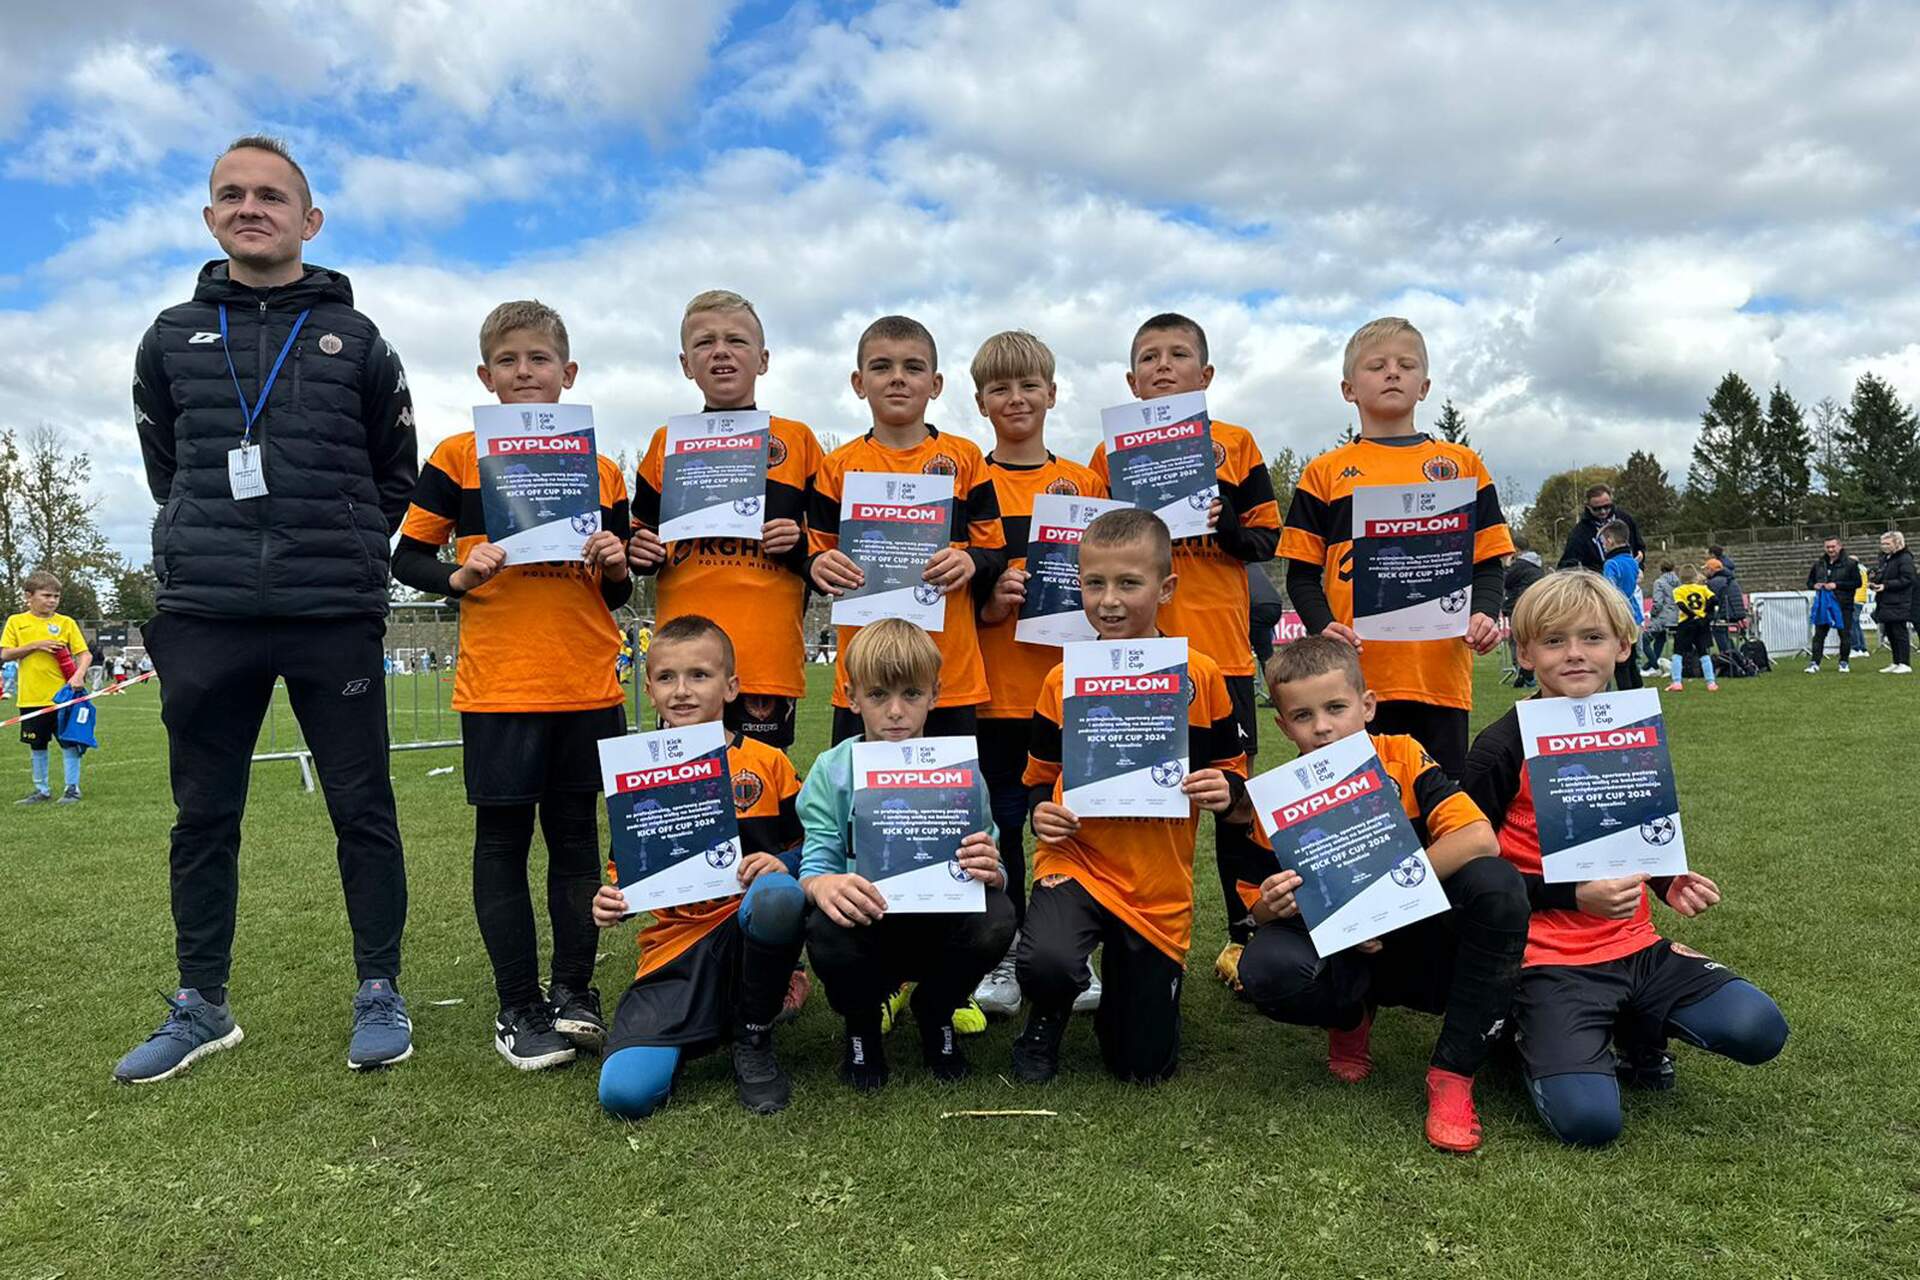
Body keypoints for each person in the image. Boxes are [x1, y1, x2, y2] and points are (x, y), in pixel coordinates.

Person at [121, 134, 416, 1083]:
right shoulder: (169, 336)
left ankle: (380, 989)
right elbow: (168, 467)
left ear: (309, 220)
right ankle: (201, 1003)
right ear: (211, 216)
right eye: (233, 195)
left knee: (362, 808)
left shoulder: (357, 340)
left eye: (272, 196)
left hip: (330, 609)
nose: (252, 208)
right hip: (208, 611)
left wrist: (344, 543)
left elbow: (395, 473)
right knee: (203, 817)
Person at [1462, 570, 1787, 1146]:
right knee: (1590, 1123)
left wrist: (1665, 879)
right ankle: (1522, 1031)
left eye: (1592, 637)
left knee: (1758, 1027)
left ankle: (1638, 1029)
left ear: (1623, 644)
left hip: (1634, 946)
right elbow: (1470, 877)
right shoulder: (1499, 747)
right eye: (1555, 641)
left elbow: (1626, 833)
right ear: (1526, 653)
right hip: (1548, 959)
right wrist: (1571, 897)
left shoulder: (1629, 727)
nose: (1575, 654)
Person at [390, 299, 631, 1070]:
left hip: (586, 683)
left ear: (569, 373)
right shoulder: (459, 456)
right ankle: (518, 1005)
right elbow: (406, 557)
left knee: (575, 838)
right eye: (508, 360)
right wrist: (459, 575)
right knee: (502, 842)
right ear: (485, 374)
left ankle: (574, 992)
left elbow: (617, 591)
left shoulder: (602, 468)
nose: (524, 371)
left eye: (539, 358)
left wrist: (615, 562)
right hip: (499, 686)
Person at [1232, 635, 1527, 1152]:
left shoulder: (1402, 755)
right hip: (1342, 946)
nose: (1322, 727)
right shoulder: (1275, 797)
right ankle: (1350, 1017)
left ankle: (1452, 1073)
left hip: (1418, 930)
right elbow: (1254, 904)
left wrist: (1378, 903)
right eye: (1302, 716)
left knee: (1497, 885)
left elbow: (1479, 838)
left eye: (1336, 708)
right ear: (1282, 726)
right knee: (1267, 968)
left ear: (1367, 706)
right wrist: (1269, 906)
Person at [1012, 509, 1249, 1085]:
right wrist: (1041, 812)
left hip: (1155, 885)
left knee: (1143, 1067)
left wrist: (1226, 790)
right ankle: (1047, 1015)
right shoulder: (1060, 680)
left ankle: (1125, 999)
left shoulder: (1202, 676)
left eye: (1128, 583)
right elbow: (1039, 780)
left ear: (1166, 588)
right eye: (1094, 583)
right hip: (1078, 861)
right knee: (1047, 960)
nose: (1109, 601)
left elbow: (1235, 781)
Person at [1087, 314, 1279, 975]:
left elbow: (1267, 539)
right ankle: (1110, 931)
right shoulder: (1108, 455)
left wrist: (1226, 524)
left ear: (1206, 374)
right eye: (1149, 357)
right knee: (1119, 797)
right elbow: (1091, 548)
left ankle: (1244, 934)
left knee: (1233, 799)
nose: (1162, 365)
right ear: (1131, 380)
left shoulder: (1236, 445)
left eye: (1177, 354)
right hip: (1133, 656)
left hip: (1219, 655)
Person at [593, 616, 807, 1117]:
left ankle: (753, 1036)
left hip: (748, 927)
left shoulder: (768, 763)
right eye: (666, 677)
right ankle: (715, 1018)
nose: (682, 690)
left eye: (699, 675)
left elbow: (816, 849)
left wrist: (781, 861)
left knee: (778, 897)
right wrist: (612, 903)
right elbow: (629, 879)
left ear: (731, 686)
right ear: (649, 689)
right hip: (676, 947)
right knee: (625, 1093)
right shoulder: (637, 771)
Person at [1281, 317, 1513, 776]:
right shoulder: (1324, 473)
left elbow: (1488, 562)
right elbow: (1302, 574)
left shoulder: (1462, 465)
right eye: (1377, 365)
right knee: (1356, 803)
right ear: (1348, 389)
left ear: (1423, 386)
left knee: (1441, 804)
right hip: (1349, 681)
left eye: (1406, 365)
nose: (1392, 372)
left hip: (1438, 678)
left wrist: (1484, 612)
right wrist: (1323, 625)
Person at [799, 619, 1015, 1090]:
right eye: (878, 695)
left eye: (911, 694)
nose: (896, 711)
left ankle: (936, 1009)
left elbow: (990, 857)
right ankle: (860, 1026)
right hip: (869, 923)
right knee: (823, 924)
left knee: (997, 914)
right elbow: (815, 865)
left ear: (935, 695)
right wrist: (822, 884)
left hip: (938, 921)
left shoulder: (961, 771)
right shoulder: (831, 771)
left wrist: (991, 868)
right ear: (852, 697)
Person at [967, 330, 1106, 1018]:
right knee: (1000, 831)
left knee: (1074, 825)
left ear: (1052, 393)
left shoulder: (1086, 484)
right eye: (1000, 387)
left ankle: (1073, 949)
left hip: (1071, 691)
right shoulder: (968, 482)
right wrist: (986, 604)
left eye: (1029, 385)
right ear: (980, 401)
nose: (1016, 398)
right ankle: (1004, 951)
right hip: (992, 694)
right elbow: (941, 588)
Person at [627, 290, 824, 750]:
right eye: (705, 342)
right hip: (684, 667)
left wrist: (800, 544)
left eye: (736, 340)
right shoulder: (665, 444)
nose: (720, 351)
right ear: (686, 364)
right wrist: (640, 551)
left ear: (763, 359)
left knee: (760, 788)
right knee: (687, 790)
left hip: (766, 660)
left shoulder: (798, 441)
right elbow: (639, 538)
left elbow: (829, 545)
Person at [806, 315, 1006, 747]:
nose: (897, 378)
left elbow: (995, 553)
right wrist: (818, 566)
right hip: (866, 682)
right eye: (882, 367)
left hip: (947, 679)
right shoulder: (837, 467)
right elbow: (814, 557)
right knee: (860, 792)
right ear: (859, 382)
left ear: (935, 384)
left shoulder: (965, 459)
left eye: (912, 367)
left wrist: (970, 560)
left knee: (947, 793)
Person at [3, 571, 92, 805]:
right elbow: (5, 654)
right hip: (31, 698)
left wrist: (79, 675)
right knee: (37, 745)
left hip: (63, 697)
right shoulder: (16, 622)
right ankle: (41, 790)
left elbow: (84, 654)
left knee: (69, 743)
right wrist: (35, 645)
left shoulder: (65, 623)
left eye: (56, 596)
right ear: (28, 596)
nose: (52, 600)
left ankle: (72, 789)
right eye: (46, 595)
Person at [1557, 484, 1645, 572]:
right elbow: (1567, 565)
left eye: (1607, 506)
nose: (1603, 511)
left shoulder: (1625, 519)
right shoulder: (1579, 533)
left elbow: (1639, 546)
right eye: (1597, 509)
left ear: (1611, 501)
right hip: (1599, 578)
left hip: (1630, 575)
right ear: (1588, 507)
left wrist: (1640, 568)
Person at [1806, 536, 1862, 674]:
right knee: (1819, 635)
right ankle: (1814, 663)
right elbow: (1809, 582)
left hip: (1843, 604)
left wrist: (1837, 585)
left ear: (1840, 546)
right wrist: (1815, 585)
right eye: (1828, 547)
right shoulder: (1819, 564)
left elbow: (1857, 583)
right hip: (1823, 604)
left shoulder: (1850, 564)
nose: (1830, 550)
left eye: (1833, 547)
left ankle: (1844, 662)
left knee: (1844, 634)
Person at [1599, 521, 1643, 690]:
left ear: (1610, 540)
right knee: (1631, 658)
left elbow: (1609, 591)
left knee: (1620, 661)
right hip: (1634, 614)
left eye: (1603, 541)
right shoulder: (1632, 562)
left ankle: (1625, 695)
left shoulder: (1611, 564)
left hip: (1619, 614)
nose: (1603, 545)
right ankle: (1639, 693)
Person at [1504, 536, 1547, 688]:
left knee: (1516, 639)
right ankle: (1528, 674)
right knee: (1531, 637)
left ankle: (1524, 673)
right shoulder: (1536, 564)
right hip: (1536, 604)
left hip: (1519, 605)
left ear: (1515, 548)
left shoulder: (1519, 565)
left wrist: (1507, 565)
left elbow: (1506, 581)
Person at [1668, 565, 1718, 692]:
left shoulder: (1678, 590)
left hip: (1686, 623)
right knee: (1703, 652)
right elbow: (1715, 600)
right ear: (1695, 577)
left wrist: (1692, 615)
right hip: (1702, 623)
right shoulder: (1703, 588)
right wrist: (1704, 613)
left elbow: (1681, 605)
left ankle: (1677, 682)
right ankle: (1711, 682)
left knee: (1678, 652)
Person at [1870, 530, 1914, 674]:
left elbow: (1907, 579)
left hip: (1899, 601)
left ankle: (1905, 663)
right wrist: (1875, 581)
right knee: (1890, 632)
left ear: (1897, 543)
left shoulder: (1905, 558)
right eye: (1882, 543)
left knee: (1899, 631)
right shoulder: (1885, 558)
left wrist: (1886, 585)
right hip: (1885, 601)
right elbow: (1883, 575)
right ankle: (1896, 661)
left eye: (1887, 543)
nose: (1884, 546)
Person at [1703, 557, 1747, 663]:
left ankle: (1728, 658)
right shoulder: (1730, 579)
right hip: (1735, 612)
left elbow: (1710, 600)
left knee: (1718, 631)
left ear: (1711, 570)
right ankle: (1735, 657)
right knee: (1725, 635)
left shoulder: (1714, 582)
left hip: (1726, 612)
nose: (1704, 572)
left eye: (1706, 569)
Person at [1640, 560, 1679, 677]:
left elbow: (1658, 602)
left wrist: (1652, 613)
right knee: (1660, 640)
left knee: (1644, 640)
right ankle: (1649, 666)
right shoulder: (1678, 582)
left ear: (1661, 569)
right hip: (1674, 616)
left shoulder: (1659, 582)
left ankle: (1655, 667)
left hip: (1662, 617)